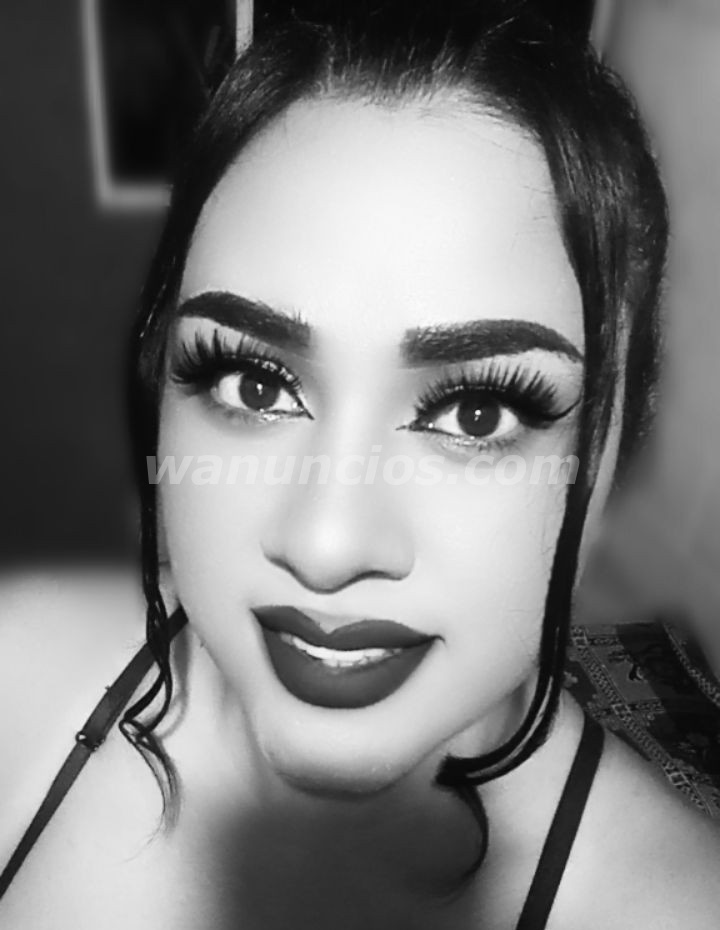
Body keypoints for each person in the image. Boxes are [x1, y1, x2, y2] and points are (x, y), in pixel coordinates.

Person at [1, 2, 719, 927]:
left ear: (621, 439)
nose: (328, 545)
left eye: (477, 411)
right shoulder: (16, 679)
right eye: (256, 385)